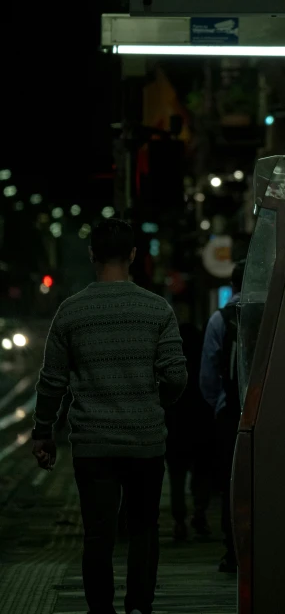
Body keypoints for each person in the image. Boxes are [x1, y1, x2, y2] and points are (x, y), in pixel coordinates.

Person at [31, 219, 187, 614]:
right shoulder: (157, 309)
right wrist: (154, 403)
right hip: (145, 441)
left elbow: (51, 381)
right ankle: (139, 605)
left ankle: (100, 609)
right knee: (143, 529)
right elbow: (176, 375)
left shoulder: (70, 311)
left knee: (97, 535)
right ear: (134, 255)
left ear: (91, 256)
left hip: (92, 444)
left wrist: (42, 431)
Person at [199, 261, 245, 574]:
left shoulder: (220, 318)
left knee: (232, 482)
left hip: (230, 414)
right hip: (267, 409)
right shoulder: (272, 312)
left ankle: (232, 549)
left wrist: (219, 403)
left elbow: (207, 375)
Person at [164, 322, 214, 542]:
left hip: (175, 425)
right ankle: (200, 512)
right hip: (201, 421)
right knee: (202, 471)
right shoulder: (203, 364)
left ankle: (179, 521)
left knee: (176, 475)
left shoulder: (171, 365)